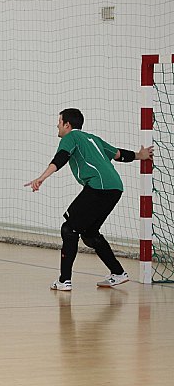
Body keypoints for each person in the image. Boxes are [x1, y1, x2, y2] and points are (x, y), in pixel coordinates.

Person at [25, 108, 154, 291]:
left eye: (59, 122)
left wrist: (41, 177)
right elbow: (118, 154)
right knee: (89, 233)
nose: (57, 125)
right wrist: (139, 155)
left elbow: (61, 158)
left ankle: (64, 280)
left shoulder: (71, 137)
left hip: (99, 187)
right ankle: (117, 273)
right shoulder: (93, 138)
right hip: (115, 187)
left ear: (67, 125)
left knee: (69, 229)